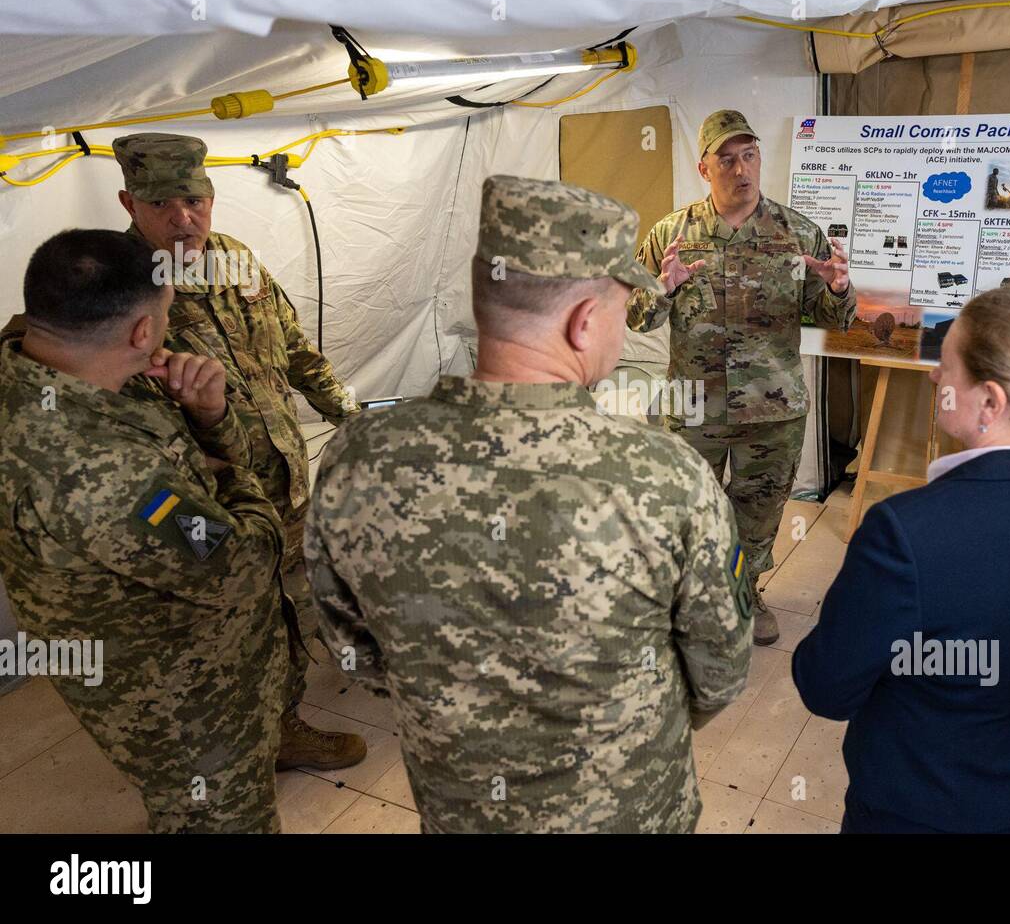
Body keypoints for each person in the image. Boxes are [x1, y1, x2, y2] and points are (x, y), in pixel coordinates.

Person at [307, 176, 752, 833]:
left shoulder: (356, 459)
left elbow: (353, 646)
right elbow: (718, 669)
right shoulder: (665, 476)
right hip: (631, 813)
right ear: (584, 322)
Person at [793, 285, 1010, 833]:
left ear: (991, 401)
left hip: (925, 806)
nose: (934, 376)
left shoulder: (907, 531)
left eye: (947, 364)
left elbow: (826, 688)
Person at [0, 230, 288, 832]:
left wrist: (204, 415)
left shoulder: (25, 368)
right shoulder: (107, 469)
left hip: (113, 669)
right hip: (184, 701)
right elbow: (242, 566)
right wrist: (236, 480)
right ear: (142, 331)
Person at [111, 132, 365, 770]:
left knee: (289, 609)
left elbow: (296, 352)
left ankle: (282, 725)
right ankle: (231, 753)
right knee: (227, 628)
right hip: (207, 502)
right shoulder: (116, 292)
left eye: (195, 199)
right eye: (163, 203)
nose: (183, 217)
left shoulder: (235, 261)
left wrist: (351, 416)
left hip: (283, 479)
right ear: (128, 204)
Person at [627, 109, 856, 645]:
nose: (740, 169)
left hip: (771, 409)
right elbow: (638, 317)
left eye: (749, 155)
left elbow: (833, 320)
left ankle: (744, 589)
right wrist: (663, 289)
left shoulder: (798, 234)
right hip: (692, 406)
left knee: (757, 509)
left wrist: (840, 290)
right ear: (704, 168)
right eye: (726, 159)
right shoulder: (671, 234)